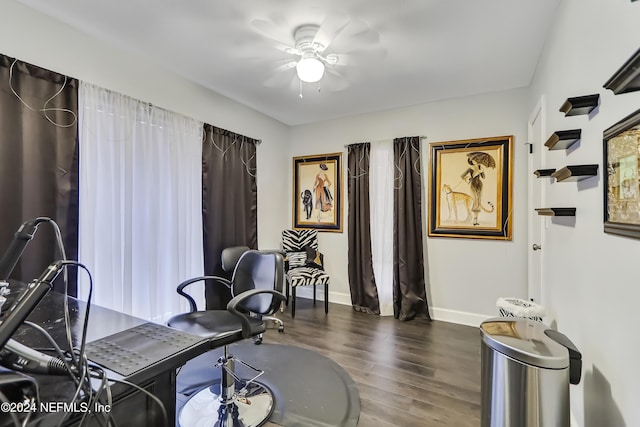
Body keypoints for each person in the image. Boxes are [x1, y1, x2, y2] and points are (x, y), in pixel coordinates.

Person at [460, 158, 485, 226]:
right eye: (473, 160)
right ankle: (474, 220)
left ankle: (476, 220)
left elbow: (483, 177)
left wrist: (481, 171)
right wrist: (468, 179)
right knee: (475, 201)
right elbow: (462, 176)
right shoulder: (470, 169)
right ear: (471, 161)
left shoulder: (480, 167)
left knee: (479, 200)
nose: (475, 161)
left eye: (476, 160)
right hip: (473, 185)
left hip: (479, 185)